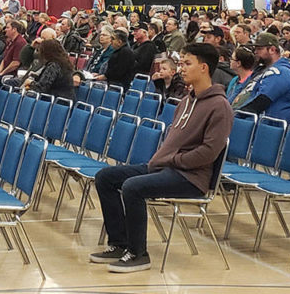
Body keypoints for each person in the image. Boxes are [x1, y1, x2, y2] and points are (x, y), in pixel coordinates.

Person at [90, 43, 233, 272]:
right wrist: (164, 160)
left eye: (187, 63)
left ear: (204, 68)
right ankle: (119, 243)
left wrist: (174, 160)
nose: (182, 69)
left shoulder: (220, 106)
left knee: (132, 187)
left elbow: (209, 152)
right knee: (105, 177)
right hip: (164, 167)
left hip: (190, 177)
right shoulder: (187, 101)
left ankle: (138, 253)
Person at [238, 34, 290, 122]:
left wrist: (233, 115)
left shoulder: (281, 72)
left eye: (259, 49)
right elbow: (241, 90)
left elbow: (260, 103)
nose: (255, 52)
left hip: (267, 126)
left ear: (272, 50)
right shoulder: (260, 69)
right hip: (251, 121)